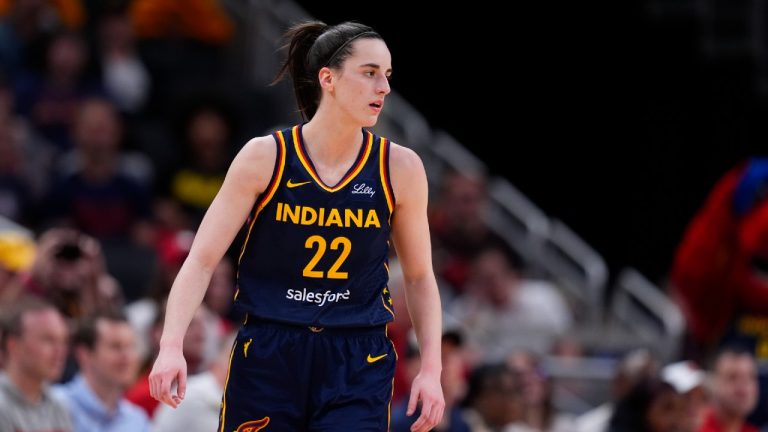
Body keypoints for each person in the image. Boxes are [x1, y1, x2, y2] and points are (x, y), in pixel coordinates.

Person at [148, 20, 445, 432]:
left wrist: (432, 370)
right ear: (329, 79)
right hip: (272, 347)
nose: (384, 88)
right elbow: (201, 259)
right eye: (370, 72)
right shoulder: (264, 157)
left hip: (356, 355)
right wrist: (170, 346)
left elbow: (418, 276)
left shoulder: (401, 167)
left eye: (388, 75)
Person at [53, 311, 151, 432]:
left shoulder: (137, 420)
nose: (127, 357)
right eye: (116, 347)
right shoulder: (53, 406)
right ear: (84, 355)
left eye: (131, 346)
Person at [0, 295, 72, 431]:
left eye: (63, 341)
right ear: (13, 345)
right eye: (48, 340)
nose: (60, 352)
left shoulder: (59, 405)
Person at [698, 345, 760, 432]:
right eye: (732, 377)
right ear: (712, 384)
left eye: (751, 377)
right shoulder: (693, 427)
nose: (743, 385)